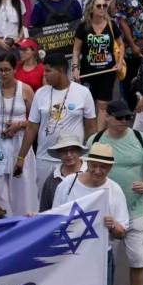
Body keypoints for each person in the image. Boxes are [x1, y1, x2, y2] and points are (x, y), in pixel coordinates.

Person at [86, 100, 143, 285]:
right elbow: (86, 170)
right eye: (119, 117)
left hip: (137, 208)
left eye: (128, 117)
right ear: (108, 117)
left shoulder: (140, 138)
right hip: (106, 213)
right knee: (104, 261)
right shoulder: (95, 140)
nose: (125, 121)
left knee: (138, 260)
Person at [52, 143, 129, 285]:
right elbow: (53, 219)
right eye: (94, 166)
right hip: (69, 255)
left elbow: (122, 233)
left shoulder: (115, 190)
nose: (98, 171)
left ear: (110, 168)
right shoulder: (68, 184)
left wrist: (113, 225)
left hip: (99, 257)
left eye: (103, 167)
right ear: (88, 163)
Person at [14, 52, 97, 191]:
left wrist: (89, 157)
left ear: (61, 70)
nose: (44, 75)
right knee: (45, 201)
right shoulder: (40, 93)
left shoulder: (83, 92)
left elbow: (91, 128)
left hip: (73, 158)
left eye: (48, 71)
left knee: (73, 199)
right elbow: (31, 128)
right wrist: (21, 158)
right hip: (44, 159)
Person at [0, 53, 37, 215]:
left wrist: (19, 125)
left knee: (22, 187)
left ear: (14, 70)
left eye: (7, 70)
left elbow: (35, 121)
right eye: (0, 70)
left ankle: (24, 222)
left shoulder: (26, 90)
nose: (3, 73)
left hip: (20, 143)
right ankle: (3, 220)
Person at [72, 0, 124, 130]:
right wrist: (75, 68)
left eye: (104, 6)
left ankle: (98, 136)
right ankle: (89, 133)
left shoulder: (112, 25)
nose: (102, 9)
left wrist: (119, 62)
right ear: (91, 9)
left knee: (102, 106)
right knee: (88, 106)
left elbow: (121, 45)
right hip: (88, 73)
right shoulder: (83, 27)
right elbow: (76, 50)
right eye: (99, 6)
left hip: (107, 72)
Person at [38, 134, 88, 212]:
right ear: (58, 154)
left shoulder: (90, 173)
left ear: (79, 151)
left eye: (72, 150)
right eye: (64, 151)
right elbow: (44, 209)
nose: (68, 155)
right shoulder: (52, 179)